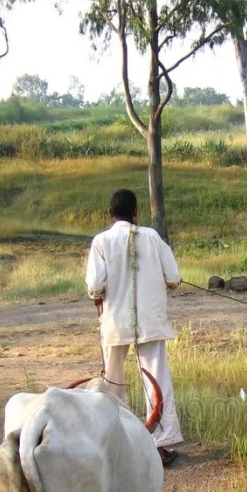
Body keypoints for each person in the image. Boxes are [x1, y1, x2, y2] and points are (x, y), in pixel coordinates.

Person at [85, 188, 183, 466]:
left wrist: (99, 295)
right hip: (151, 320)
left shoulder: (101, 242)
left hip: (115, 321)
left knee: (113, 381)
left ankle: (117, 446)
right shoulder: (152, 237)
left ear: (110, 214)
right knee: (156, 378)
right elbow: (174, 277)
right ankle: (161, 446)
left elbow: (94, 286)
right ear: (136, 214)